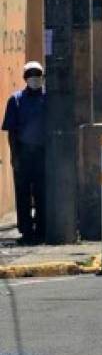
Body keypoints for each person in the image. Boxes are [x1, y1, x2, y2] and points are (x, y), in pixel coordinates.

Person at [2, 61, 47, 244]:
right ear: (24, 78)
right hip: (23, 153)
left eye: (37, 75)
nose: (34, 78)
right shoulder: (16, 100)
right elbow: (11, 131)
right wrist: (14, 156)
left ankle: (42, 229)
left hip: (42, 154)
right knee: (22, 195)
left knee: (42, 193)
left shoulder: (48, 99)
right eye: (30, 75)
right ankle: (26, 230)